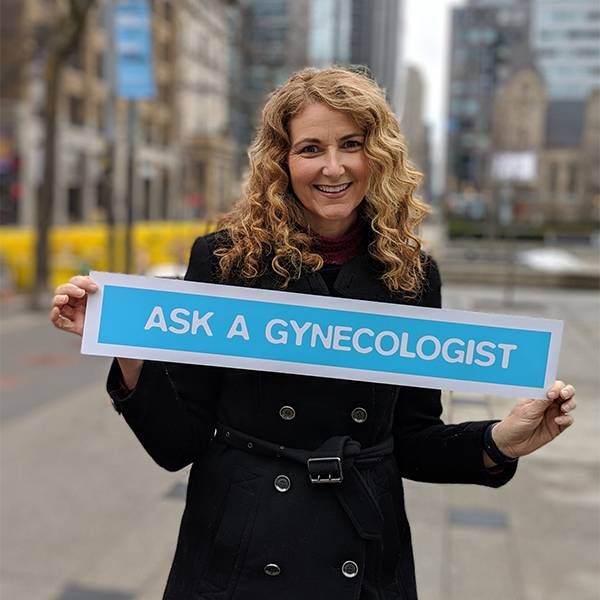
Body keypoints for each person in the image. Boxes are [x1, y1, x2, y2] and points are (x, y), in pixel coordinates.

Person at [50, 67, 576, 600]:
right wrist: (128, 353)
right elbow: (176, 443)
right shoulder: (224, 261)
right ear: (282, 160)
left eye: (351, 144)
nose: (333, 167)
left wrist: (498, 442)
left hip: (364, 555)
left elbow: (413, 440)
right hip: (239, 552)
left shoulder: (412, 274)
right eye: (310, 148)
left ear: (380, 154)